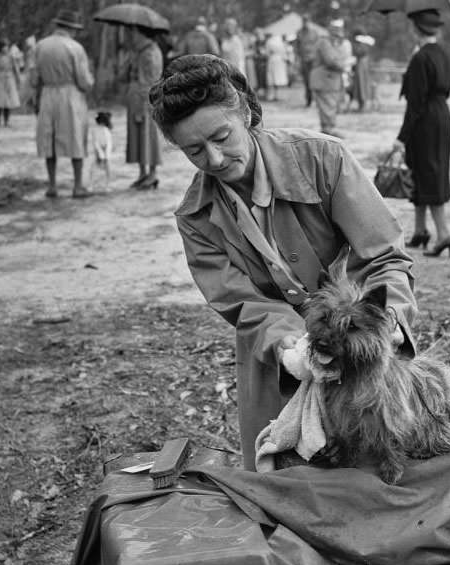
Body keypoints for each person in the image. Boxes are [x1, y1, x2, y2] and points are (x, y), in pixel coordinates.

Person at [147, 55, 417, 470]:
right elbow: (242, 303)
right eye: (194, 151)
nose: (215, 160)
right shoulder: (195, 217)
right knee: (287, 476)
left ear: (248, 115)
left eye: (222, 137)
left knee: (376, 466)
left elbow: (382, 255)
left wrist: (389, 319)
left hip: (361, 351)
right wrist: (294, 346)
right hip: (278, 365)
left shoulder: (323, 159)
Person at [392, 10, 450, 257]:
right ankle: (420, 230)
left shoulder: (420, 59)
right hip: (441, 114)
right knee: (422, 169)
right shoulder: (442, 53)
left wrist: (401, 137)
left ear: (416, 30)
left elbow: (415, 103)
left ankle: (444, 234)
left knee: (429, 172)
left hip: (425, 119)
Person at [30, 9, 94, 199]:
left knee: (49, 138)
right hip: (70, 95)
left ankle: (52, 185)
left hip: (48, 94)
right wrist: (90, 82)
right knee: (76, 138)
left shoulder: (40, 46)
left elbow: (33, 78)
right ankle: (78, 186)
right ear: (72, 28)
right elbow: (83, 81)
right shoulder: (75, 47)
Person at [124, 26, 163, 190]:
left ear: (142, 34)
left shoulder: (150, 53)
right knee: (138, 135)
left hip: (145, 99)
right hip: (136, 98)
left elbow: (147, 82)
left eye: (134, 33)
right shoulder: (140, 51)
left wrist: (141, 105)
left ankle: (152, 174)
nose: (132, 36)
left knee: (149, 135)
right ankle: (142, 173)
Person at [309, 19, 349, 137]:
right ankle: (329, 129)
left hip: (328, 80)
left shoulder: (330, 43)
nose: (338, 37)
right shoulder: (324, 42)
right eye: (336, 33)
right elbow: (330, 61)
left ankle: (328, 128)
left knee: (329, 104)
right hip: (324, 79)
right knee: (328, 105)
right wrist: (345, 65)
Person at [0, 36, 21, 127]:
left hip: (9, 78)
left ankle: (6, 120)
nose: (5, 48)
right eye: (4, 46)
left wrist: (18, 78)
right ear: (0, 47)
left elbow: (15, 68)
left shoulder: (11, 56)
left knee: (8, 100)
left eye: (6, 46)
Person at [295, 13, 319, 107]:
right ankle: (308, 100)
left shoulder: (315, 32)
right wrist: (297, 59)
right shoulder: (299, 33)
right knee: (306, 81)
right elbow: (296, 47)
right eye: (304, 21)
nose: (305, 23)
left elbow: (318, 46)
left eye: (307, 21)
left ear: (310, 21)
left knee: (315, 80)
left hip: (314, 60)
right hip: (304, 60)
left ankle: (316, 100)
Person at [350, 32, 375, 112]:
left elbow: (361, 52)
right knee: (359, 85)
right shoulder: (361, 44)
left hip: (362, 65)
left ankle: (363, 105)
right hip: (360, 65)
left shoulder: (364, 45)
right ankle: (361, 105)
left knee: (362, 85)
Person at [264, 33, 288, 102]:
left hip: (272, 59)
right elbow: (284, 52)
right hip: (280, 60)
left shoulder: (269, 42)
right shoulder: (280, 42)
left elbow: (267, 52)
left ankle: (272, 95)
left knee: (272, 78)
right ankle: (278, 95)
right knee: (278, 78)